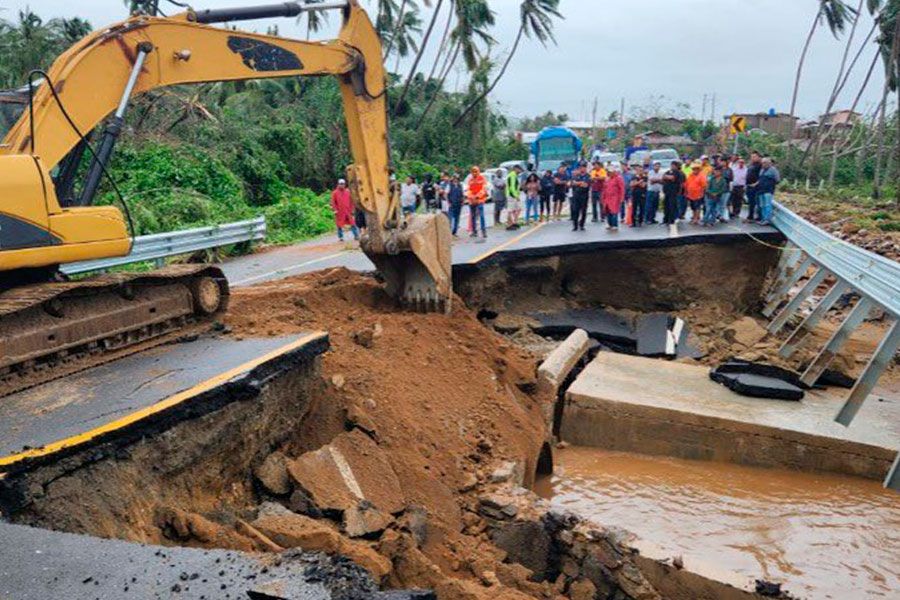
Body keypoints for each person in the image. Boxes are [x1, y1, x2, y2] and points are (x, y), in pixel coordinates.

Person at [466, 166, 488, 239]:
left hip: (480, 200)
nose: (474, 173)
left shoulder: (482, 179)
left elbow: (484, 189)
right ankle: (474, 231)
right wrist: (472, 197)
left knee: (481, 216)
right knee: (473, 216)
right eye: (473, 172)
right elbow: (468, 190)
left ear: (478, 171)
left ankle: (483, 231)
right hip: (472, 201)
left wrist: (477, 196)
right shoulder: (470, 180)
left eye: (476, 171)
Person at [757, 157, 780, 225]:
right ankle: (763, 218)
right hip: (761, 190)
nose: (763, 164)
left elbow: (777, 180)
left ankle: (767, 219)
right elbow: (760, 179)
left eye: (765, 163)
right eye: (762, 163)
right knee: (762, 205)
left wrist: (770, 184)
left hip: (768, 190)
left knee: (767, 205)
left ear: (769, 163)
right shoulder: (762, 170)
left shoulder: (773, 170)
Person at [662, 160, 685, 226]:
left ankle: (671, 220)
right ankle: (665, 219)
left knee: (672, 206)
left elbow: (672, 178)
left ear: (677, 166)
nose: (672, 166)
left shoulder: (678, 173)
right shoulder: (668, 171)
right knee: (666, 205)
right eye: (671, 165)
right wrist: (667, 177)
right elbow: (663, 177)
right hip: (667, 191)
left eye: (674, 165)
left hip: (674, 192)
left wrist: (667, 177)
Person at [603, 166, 625, 232]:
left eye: (610, 172)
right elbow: (604, 188)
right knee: (608, 211)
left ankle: (615, 225)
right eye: (608, 172)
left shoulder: (618, 178)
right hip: (607, 198)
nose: (609, 173)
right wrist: (603, 197)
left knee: (614, 212)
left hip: (615, 198)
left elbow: (622, 189)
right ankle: (610, 224)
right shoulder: (607, 179)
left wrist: (622, 197)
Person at [570, 162, 591, 231]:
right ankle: (575, 225)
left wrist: (578, 183)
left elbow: (586, 185)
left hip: (584, 195)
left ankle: (582, 224)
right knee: (575, 210)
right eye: (581, 167)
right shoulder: (576, 175)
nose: (582, 169)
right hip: (576, 195)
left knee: (583, 211)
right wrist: (580, 183)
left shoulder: (588, 176)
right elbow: (572, 183)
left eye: (584, 167)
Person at [745, 151, 763, 222]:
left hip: (755, 187)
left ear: (759, 157)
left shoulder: (760, 165)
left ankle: (751, 217)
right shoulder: (751, 165)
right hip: (748, 185)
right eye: (751, 157)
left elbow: (762, 176)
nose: (752, 158)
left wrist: (756, 183)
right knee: (750, 202)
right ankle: (750, 216)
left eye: (754, 157)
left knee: (753, 202)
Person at [506, 164, 523, 230]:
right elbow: (512, 187)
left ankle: (514, 222)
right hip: (511, 195)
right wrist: (516, 196)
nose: (520, 171)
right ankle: (510, 224)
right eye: (519, 169)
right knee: (510, 210)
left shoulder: (515, 175)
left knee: (518, 209)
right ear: (516, 169)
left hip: (515, 195)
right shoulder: (512, 175)